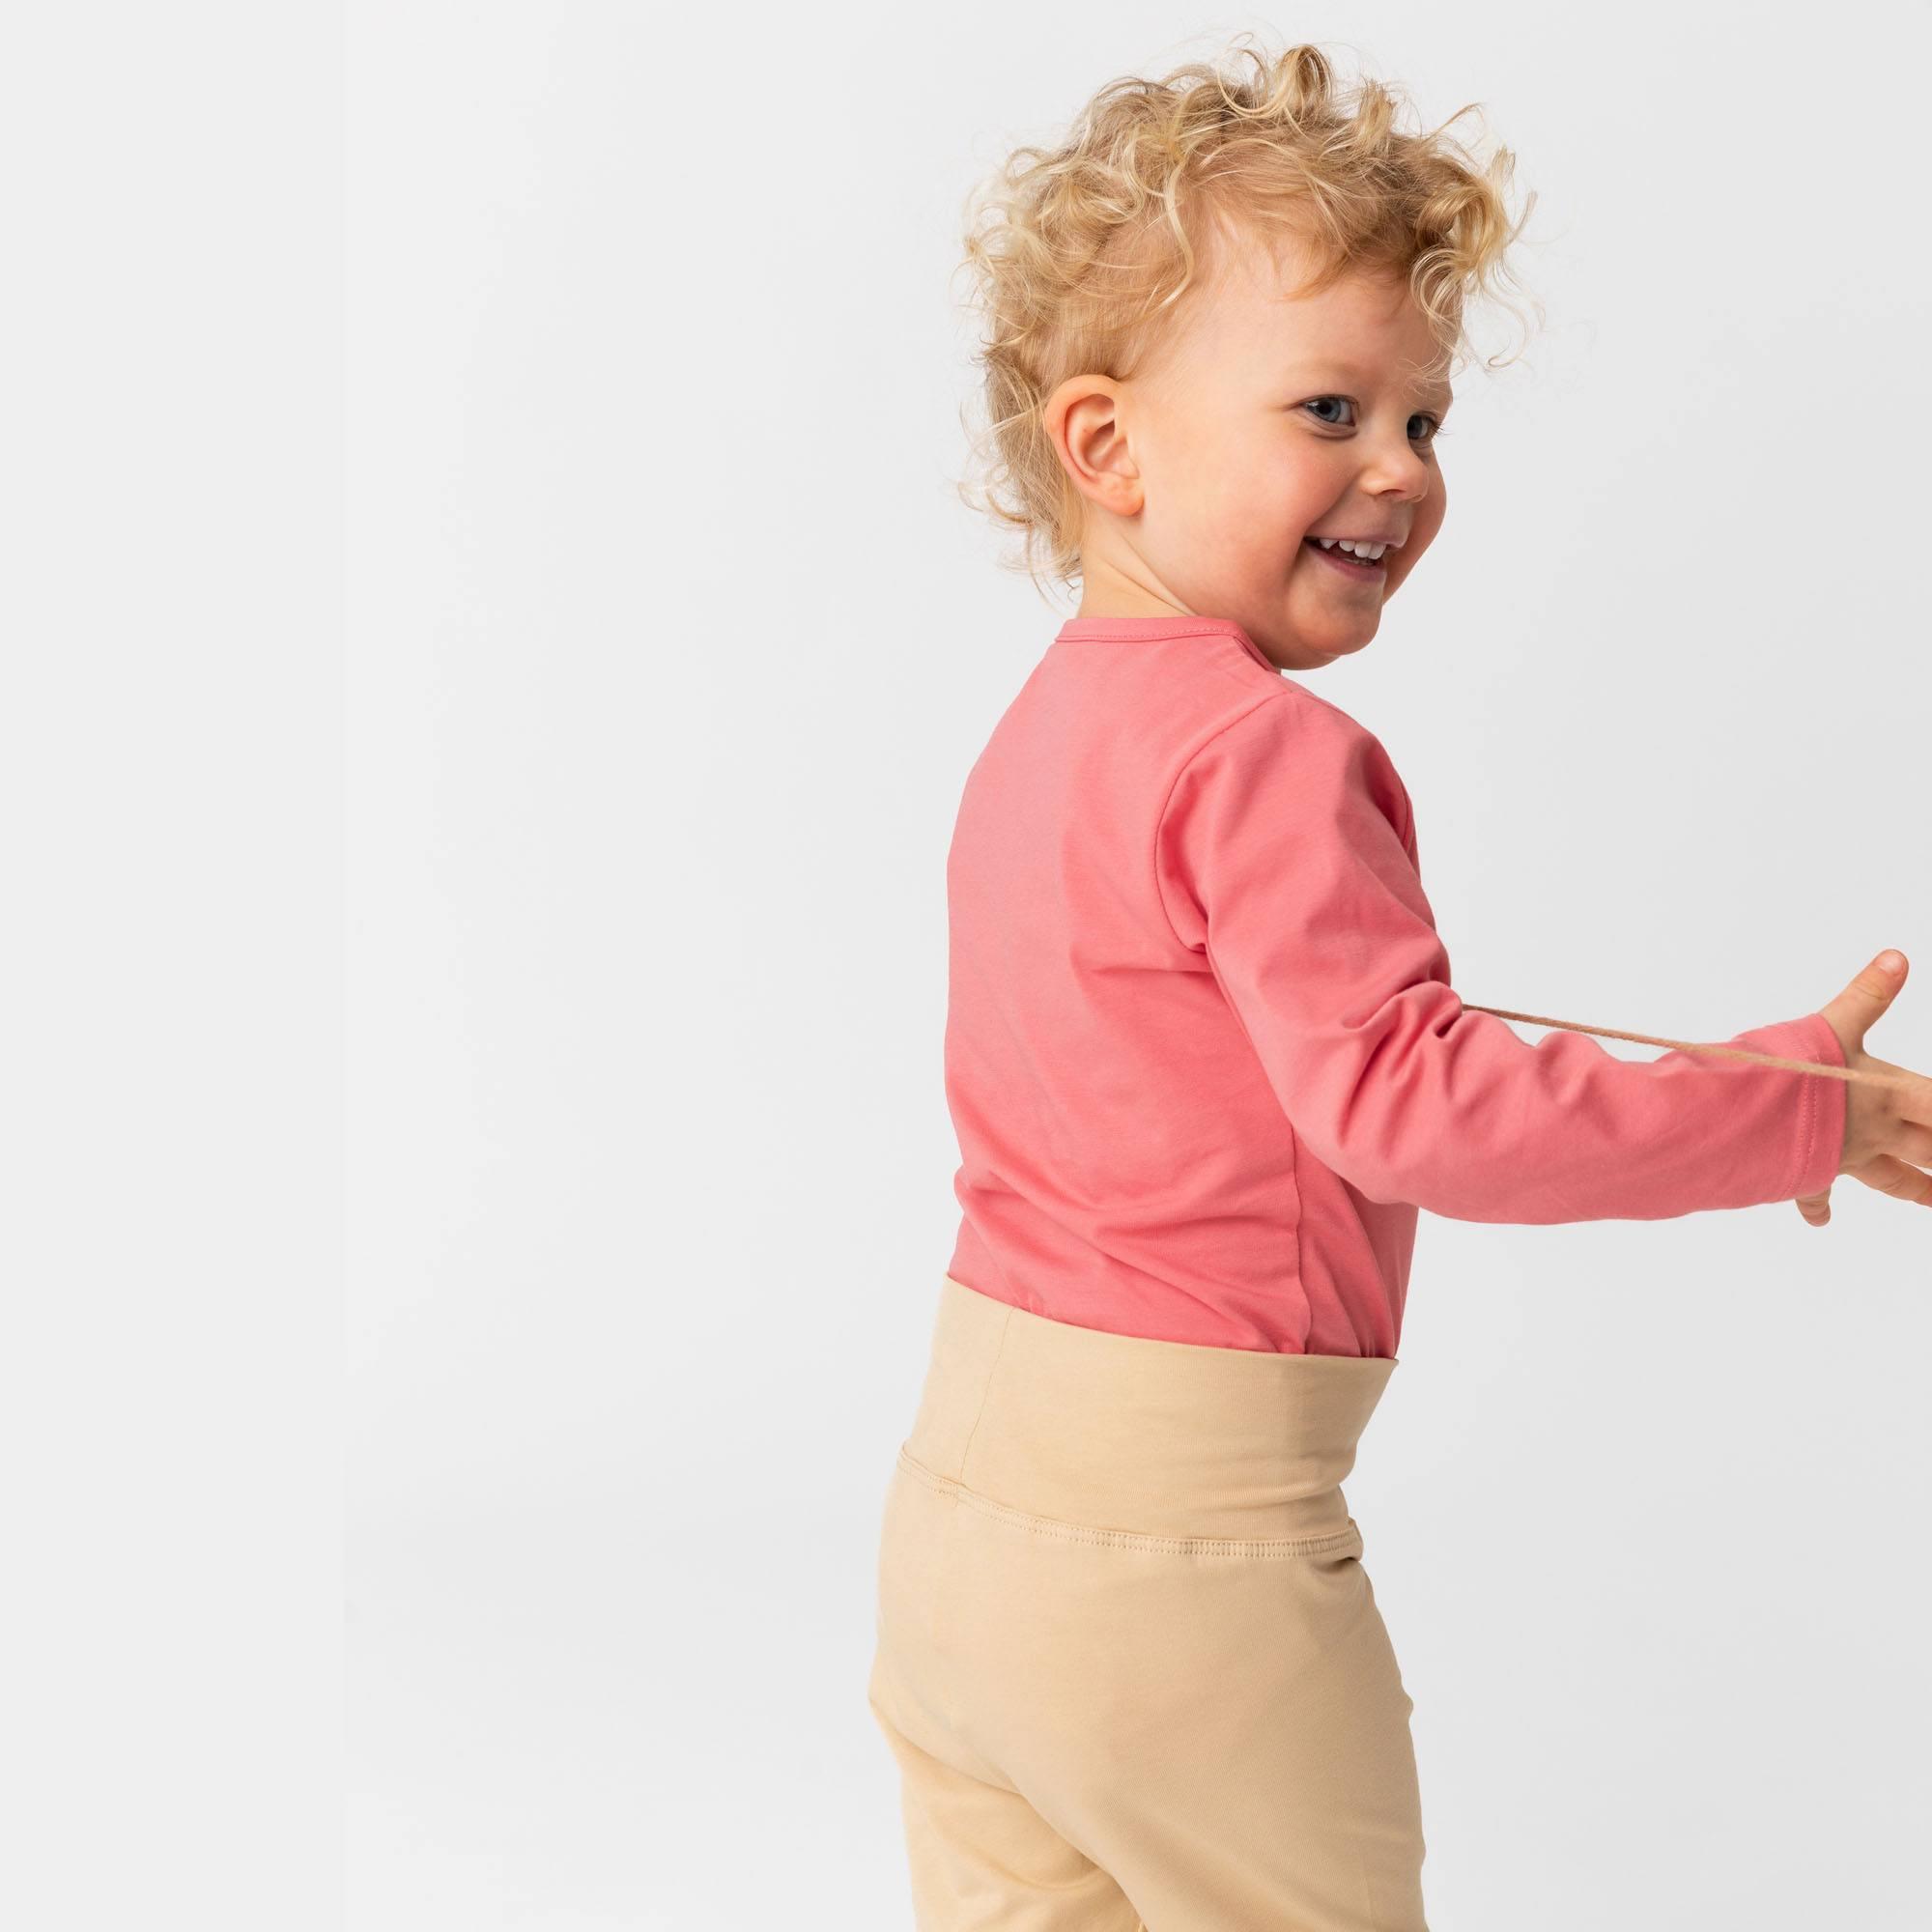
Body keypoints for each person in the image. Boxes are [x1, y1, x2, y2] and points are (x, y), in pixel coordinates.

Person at [865, 36, 1932, 1931]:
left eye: (1424, 423)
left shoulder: (1037, 738)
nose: (1396, 472)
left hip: (956, 1539)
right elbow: (1410, 1101)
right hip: (1182, 1556)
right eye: (1330, 407)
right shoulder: (1260, 753)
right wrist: (1797, 1101)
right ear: (1104, 446)